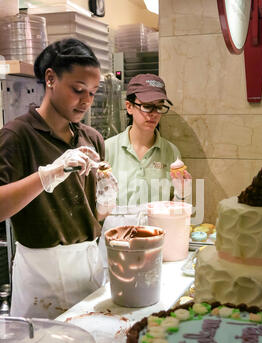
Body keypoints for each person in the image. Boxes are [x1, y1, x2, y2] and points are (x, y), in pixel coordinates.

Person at [0, 38, 117, 319]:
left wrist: (106, 198)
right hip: (42, 276)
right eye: (78, 90)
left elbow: (94, 214)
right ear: (50, 78)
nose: (86, 101)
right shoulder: (18, 136)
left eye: (92, 92)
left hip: (87, 267)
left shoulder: (92, 138)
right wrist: (49, 174)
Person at [99, 73, 192, 267]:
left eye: (159, 107)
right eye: (147, 106)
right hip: (116, 247)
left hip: (157, 245)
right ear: (129, 107)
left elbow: (175, 209)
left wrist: (183, 194)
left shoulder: (170, 152)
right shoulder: (108, 149)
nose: (154, 113)